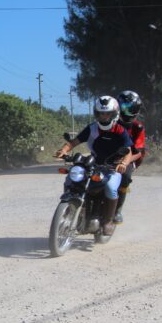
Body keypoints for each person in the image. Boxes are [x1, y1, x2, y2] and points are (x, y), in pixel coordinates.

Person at [55, 96, 133, 236]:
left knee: (110, 187)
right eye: (101, 113)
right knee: (72, 178)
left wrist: (123, 163)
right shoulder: (92, 128)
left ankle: (108, 221)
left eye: (107, 113)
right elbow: (74, 142)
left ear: (114, 114)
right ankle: (73, 206)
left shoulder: (120, 130)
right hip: (94, 163)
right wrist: (64, 150)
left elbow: (129, 151)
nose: (104, 117)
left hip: (112, 167)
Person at [114, 90, 146, 223]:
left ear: (135, 110)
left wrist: (125, 162)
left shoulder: (138, 127)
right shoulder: (111, 122)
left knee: (125, 177)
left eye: (128, 108)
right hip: (110, 156)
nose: (125, 111)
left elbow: (138, 151)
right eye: (122, 107)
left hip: (131, 158)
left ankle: (117, 211)